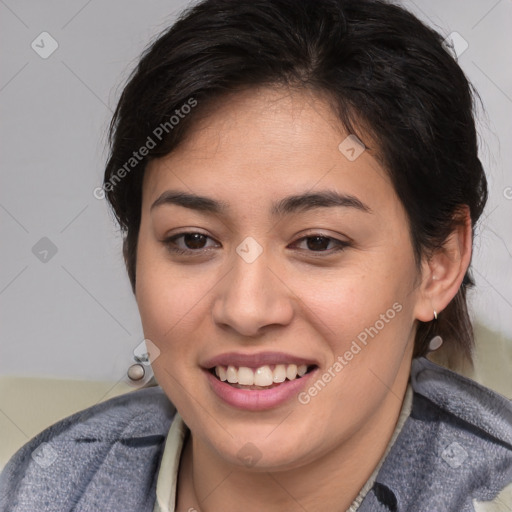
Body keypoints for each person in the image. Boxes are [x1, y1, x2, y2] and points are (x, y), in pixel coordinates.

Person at [1, 0, 511, 510]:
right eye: (193, 240)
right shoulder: (52, 485)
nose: (246, 310)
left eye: (317, 242)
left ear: (439, 264)